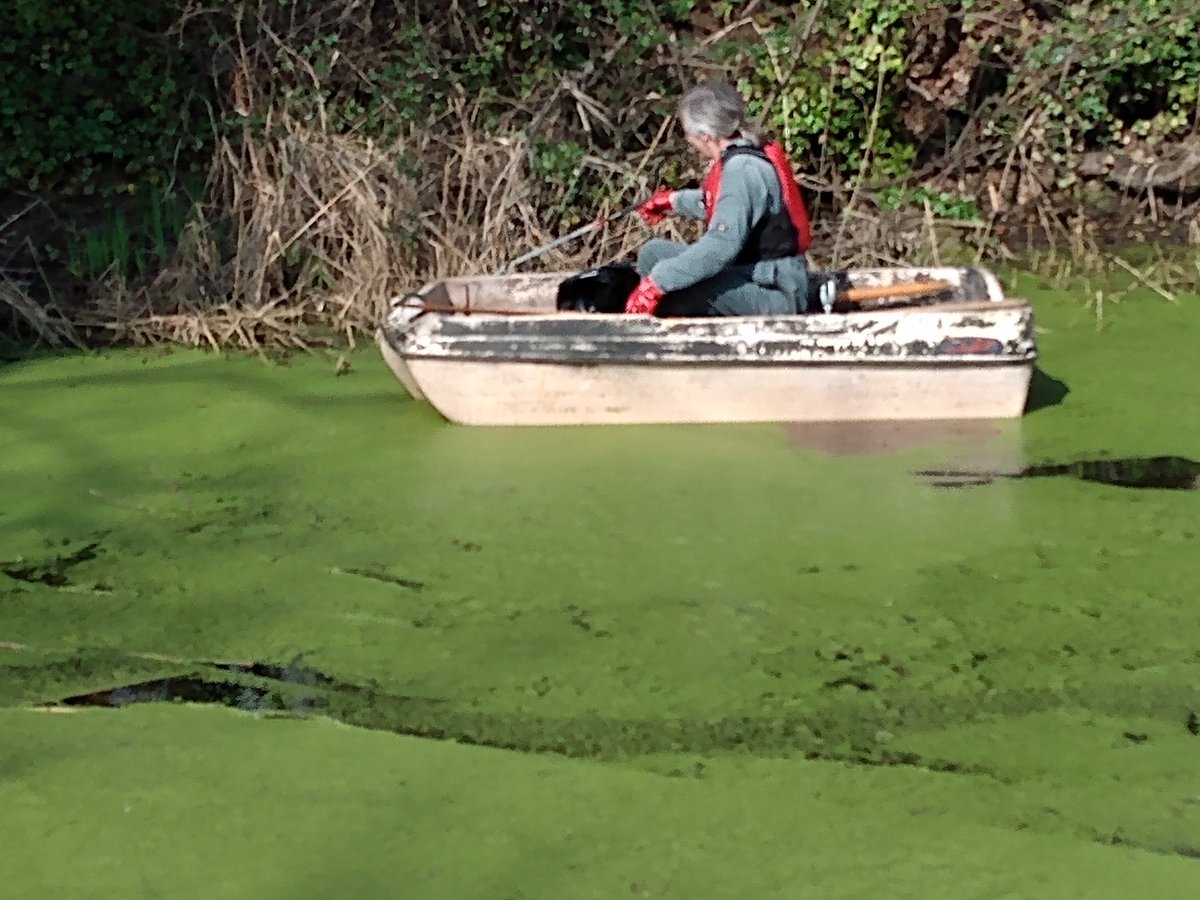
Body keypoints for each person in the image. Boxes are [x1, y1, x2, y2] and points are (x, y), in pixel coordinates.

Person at [624, 79, 813, 317]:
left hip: (776, 291)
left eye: (688, 134)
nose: (689, 141)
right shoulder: (742, 156)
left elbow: (720, 247)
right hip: (756, 273)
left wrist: (657, 283)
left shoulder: (742, 169)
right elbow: (724, 203)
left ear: (704, 136)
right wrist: (673, 201)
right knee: (653, 253)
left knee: (674, 294)